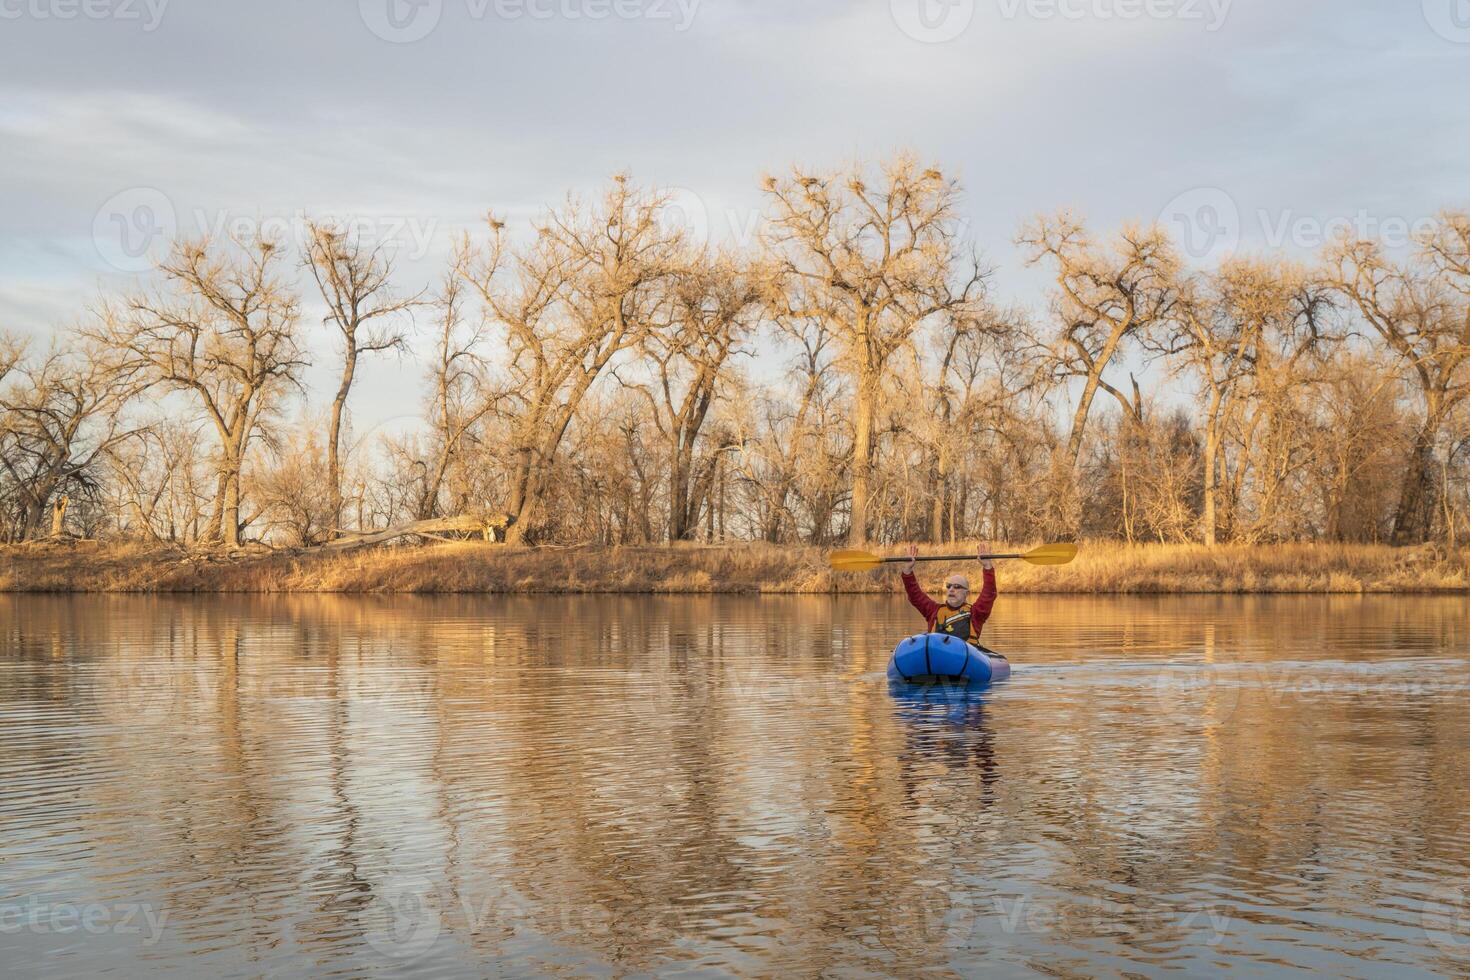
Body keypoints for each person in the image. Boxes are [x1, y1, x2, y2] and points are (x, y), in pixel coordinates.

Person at [900, 540, 1001, 652]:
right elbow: (915, 595)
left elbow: (989, 593)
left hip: (964, 658)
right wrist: (907, 570)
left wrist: (987, 566)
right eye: (949, 586)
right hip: (936, 654)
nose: (952, 589)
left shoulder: (976, 613)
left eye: (957, 586)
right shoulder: (933, 610)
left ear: (966, 593)